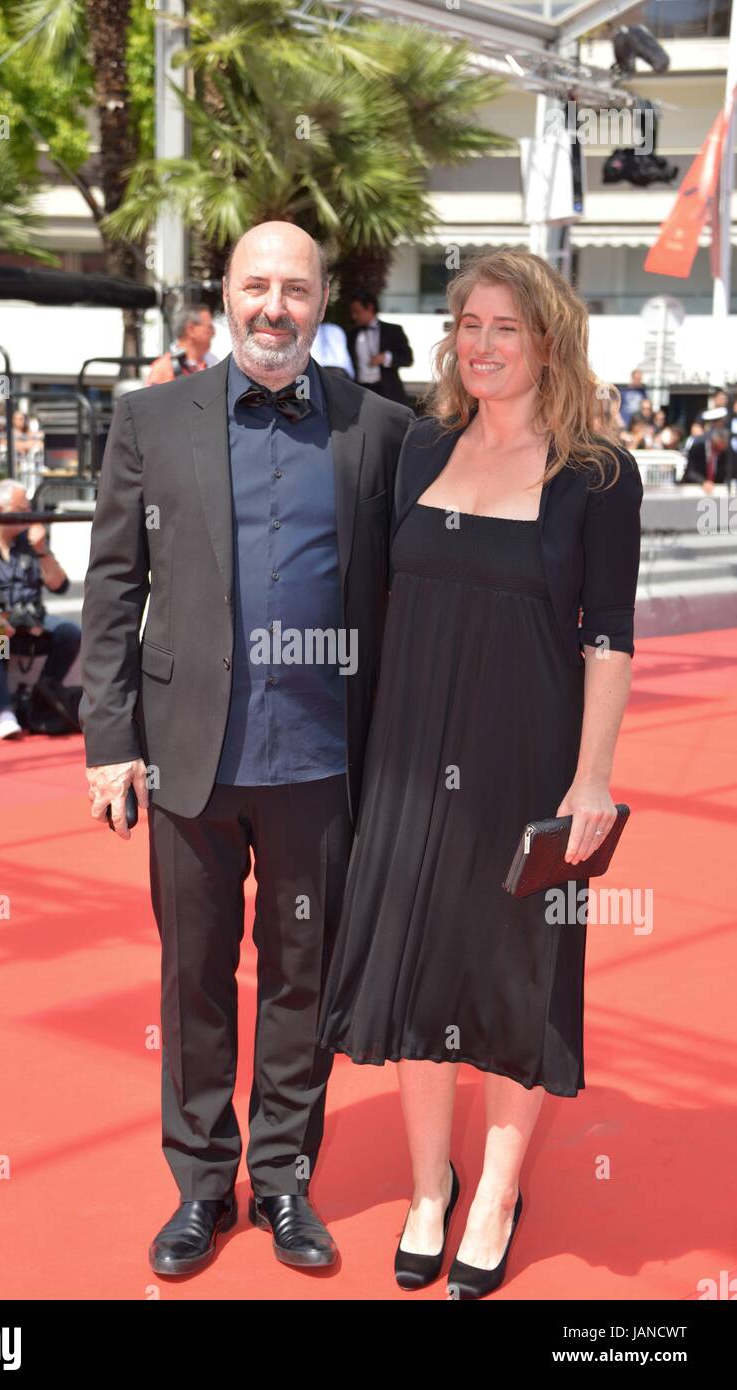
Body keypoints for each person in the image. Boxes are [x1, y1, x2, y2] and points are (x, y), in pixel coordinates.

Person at [79, 220, 414, 1278]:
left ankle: (282, 1180)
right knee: (194, 977)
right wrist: (108, 739)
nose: (275, 306)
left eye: (297, 288)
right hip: (188, 758)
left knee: (302, 977)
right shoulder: (148, 419)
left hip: (322, 759)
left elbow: (412, 591)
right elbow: (112, 587)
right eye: (256, 285)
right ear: (225, 293)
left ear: (324, 301)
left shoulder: (381, 430)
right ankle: (199, 1184)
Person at [317, 247, 643, 1299]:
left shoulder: (597, 474)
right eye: (469, 324)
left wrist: (592, 780)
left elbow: (610, 636)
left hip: (529, 764)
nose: (485, 344)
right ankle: (428, 1185)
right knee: (417, 968)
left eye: (507, 326)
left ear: (547, 340)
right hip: (411, 757)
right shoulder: (420, 450)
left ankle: (497, 1192)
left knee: (514, 979)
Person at [0, 479, 81, 739]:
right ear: (0, 509)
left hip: (30, 627)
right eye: (22, 507)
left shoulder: (29, 543)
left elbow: (59, 585)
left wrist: (42, 550)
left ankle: (41, 696)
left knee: (70, 633)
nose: (29, 513)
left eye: (30, 507)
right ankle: (3, 711)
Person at [346, 289, 413, 404]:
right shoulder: (351, 334)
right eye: (352, 312)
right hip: (360, 392)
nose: (354, 316)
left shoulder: (393, 331)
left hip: (387, 392)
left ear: (370, 308)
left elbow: (408, 359)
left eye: (357, 311)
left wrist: (386, 358)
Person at [145, 304, 217, 384]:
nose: (214, 333)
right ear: (191, 330)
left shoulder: (213, 363)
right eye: (209, 328)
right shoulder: (163, 369)